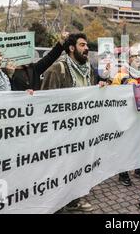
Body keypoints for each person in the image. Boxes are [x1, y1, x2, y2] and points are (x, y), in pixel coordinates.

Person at [41, 33, 97, 212]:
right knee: (59, 168)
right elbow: (46, 104)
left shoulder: (88, 69)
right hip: (62, 132)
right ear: (71, 48)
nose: (86, 48)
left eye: (86, 45)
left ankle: (73, 200)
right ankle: (56, 203)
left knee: (77, 166)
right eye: (82, 45)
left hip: (82, 130)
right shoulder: (58, 69)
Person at [111, 47, 140, 186]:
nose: (138, 58)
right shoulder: (121, 74)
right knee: (126, 143)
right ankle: (123, 172)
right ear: (128, 59)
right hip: (127, 115)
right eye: (134, 56)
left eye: (139, 56)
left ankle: (138, 168)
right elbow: (114, 94)